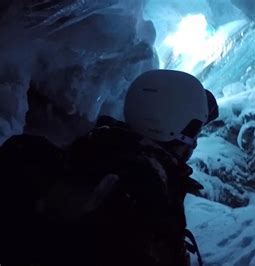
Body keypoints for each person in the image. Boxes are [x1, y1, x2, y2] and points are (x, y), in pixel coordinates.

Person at [0, 69, 219, 265]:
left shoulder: (103, 149)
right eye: (193, 132)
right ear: (171, 127)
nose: (194, 143)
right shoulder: (144, 191)